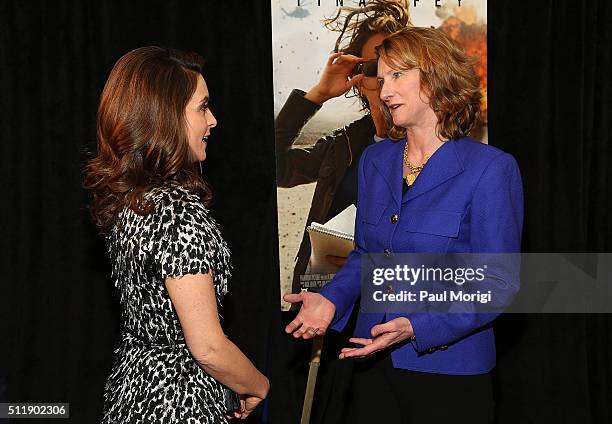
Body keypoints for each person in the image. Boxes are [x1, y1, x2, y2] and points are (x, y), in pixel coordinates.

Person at [285, 27, 523, 423]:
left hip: (449, 371)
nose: (385, 89)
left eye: (398, 76)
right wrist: (332, 298)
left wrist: (417, 327)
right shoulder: (375, 162)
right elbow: (366, 255)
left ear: (436, 77)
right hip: (370, 359)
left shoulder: (491, 169)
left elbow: (497, 283)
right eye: (382, 78)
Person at [84, 46, 269, 423]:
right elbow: (207, 348)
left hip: (133, 393)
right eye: (202, 107)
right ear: (166, 117)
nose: (213, 120)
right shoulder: (177, 213)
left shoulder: (133, 200)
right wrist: (258, 385)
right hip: (179, 403)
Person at [275, 0, 411, 293]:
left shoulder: (439, 151)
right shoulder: (342, 148)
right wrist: (316, 96)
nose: (388, 80)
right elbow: (274, 168)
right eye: (376, 68)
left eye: (399, 67)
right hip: (327, 304)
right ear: (360, 82)